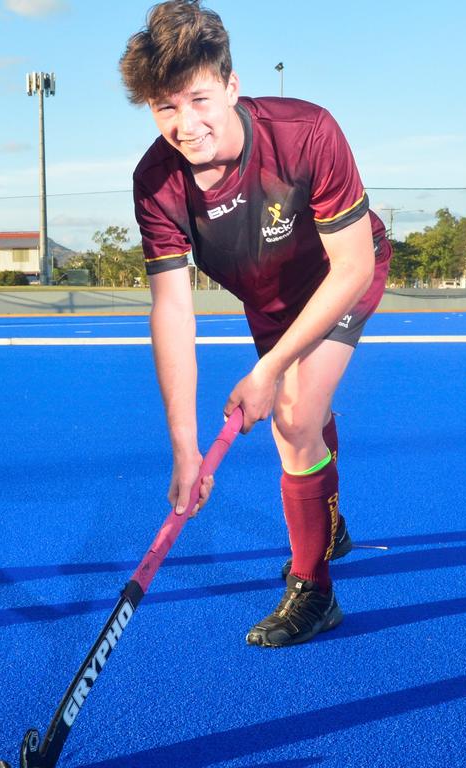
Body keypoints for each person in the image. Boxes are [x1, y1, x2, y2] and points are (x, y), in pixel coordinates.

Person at [120, 0, 390, 646]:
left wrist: (269, 369)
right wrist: (186, 445)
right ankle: (328, 519)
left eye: (198, 99)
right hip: (269, 302)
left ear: (232, 85)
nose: (185, 125)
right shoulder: (156, 183)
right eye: (165, 107)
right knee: (309, 417)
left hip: (342, 274)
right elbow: (173, 308)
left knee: (294, 415)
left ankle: (314, 589)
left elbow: (350, 265)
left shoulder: (306, 134)